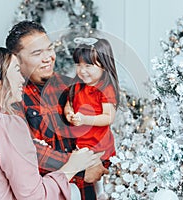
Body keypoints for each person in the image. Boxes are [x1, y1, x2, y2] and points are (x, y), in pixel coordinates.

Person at [0, 47, 102, 200]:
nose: (22, 79)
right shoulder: (6, 124)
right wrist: (72, 166)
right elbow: (35, 196)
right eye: (17, 71)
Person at [6, 21, 109, 200]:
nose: (48, 57)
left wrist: (99, 159)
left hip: (86, 192)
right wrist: (79, 168)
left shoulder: (70, 86)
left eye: (49, 49)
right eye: (37, 53)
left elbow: (96, 130)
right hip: (47, 193)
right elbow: (26, 151)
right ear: (16, 59)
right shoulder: (11, 97)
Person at [64, 37, 120, 199]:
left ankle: (102, 191)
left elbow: (108, 117)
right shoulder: (77, 86)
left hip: (98, 141)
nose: (82, 70)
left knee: (97, 168)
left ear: (103, 65)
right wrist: (69, 113)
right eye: (78, 65)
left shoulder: (105, 89)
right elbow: (69, 102)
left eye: (88, 65)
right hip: (80, 140)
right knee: (83, 173)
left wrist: (86, 119)